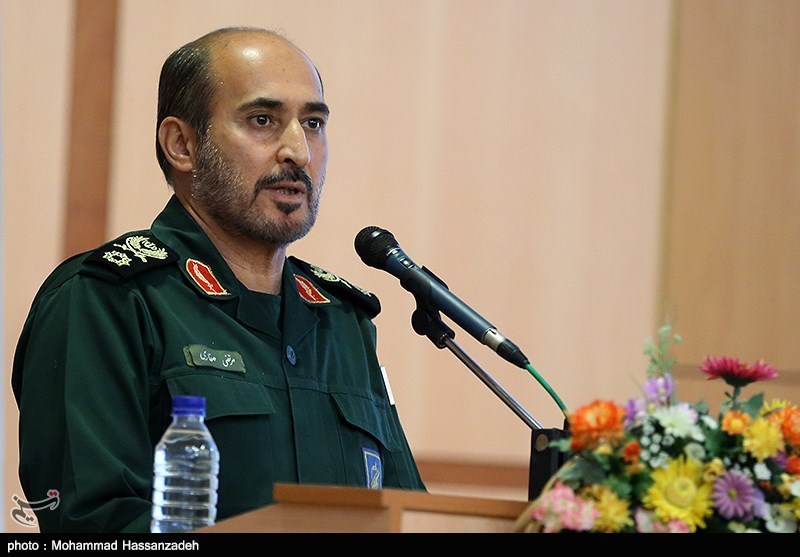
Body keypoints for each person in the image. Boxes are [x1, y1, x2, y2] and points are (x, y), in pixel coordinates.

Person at [11, 26, 426, 533]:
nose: (298, 151)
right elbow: (94, 525)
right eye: (262, 120)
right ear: (182, 144)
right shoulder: (107, 299)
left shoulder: (342, 322)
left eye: (313, 123)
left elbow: (409, 515)